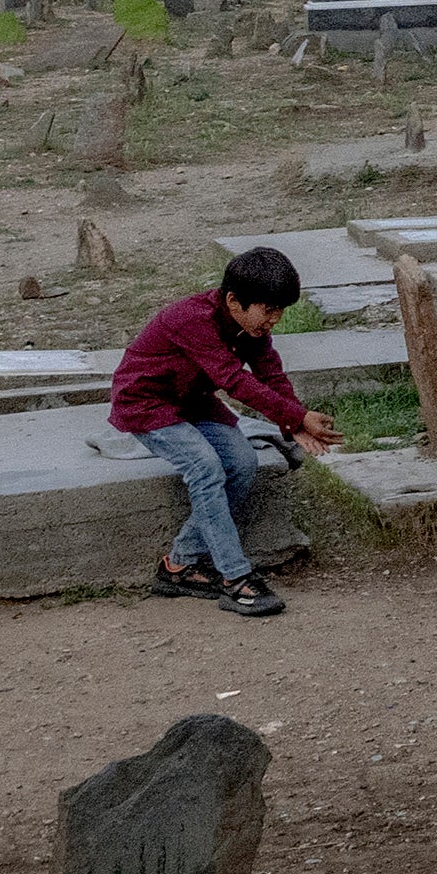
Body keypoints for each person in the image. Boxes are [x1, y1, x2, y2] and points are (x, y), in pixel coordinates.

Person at [109, 245, 342, 615]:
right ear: (234, 301)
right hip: (147, 404)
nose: (275, 320)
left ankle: (178, 565)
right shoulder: (192, 320)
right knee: (205, 467)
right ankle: (236, 579)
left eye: (281, 310)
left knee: (243, 462)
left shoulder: (251, 328)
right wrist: (297, 417)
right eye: (269, 309)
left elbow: (269, 373)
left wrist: (294, 420)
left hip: (194, 402)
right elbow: (233, 380)